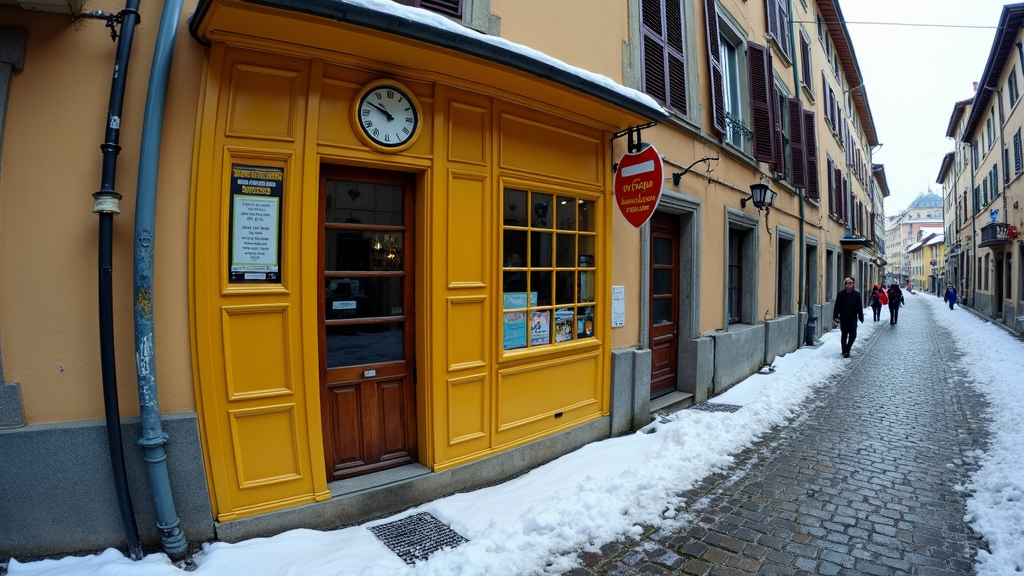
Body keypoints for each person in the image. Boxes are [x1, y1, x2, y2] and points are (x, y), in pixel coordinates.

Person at [832, 277, 864, 358]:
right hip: (843, 317)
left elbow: (859, 306)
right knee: (844, 335)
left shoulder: (856, 294)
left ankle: (847, 348)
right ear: (845, 285)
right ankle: (844, 350)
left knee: (853, 335)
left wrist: (861, 316)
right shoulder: (841, 294)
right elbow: (837, 306)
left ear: (853, 284)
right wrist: (835, 316)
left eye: (850, 283)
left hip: (853, 318)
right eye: (847, 283)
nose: (849, 285)